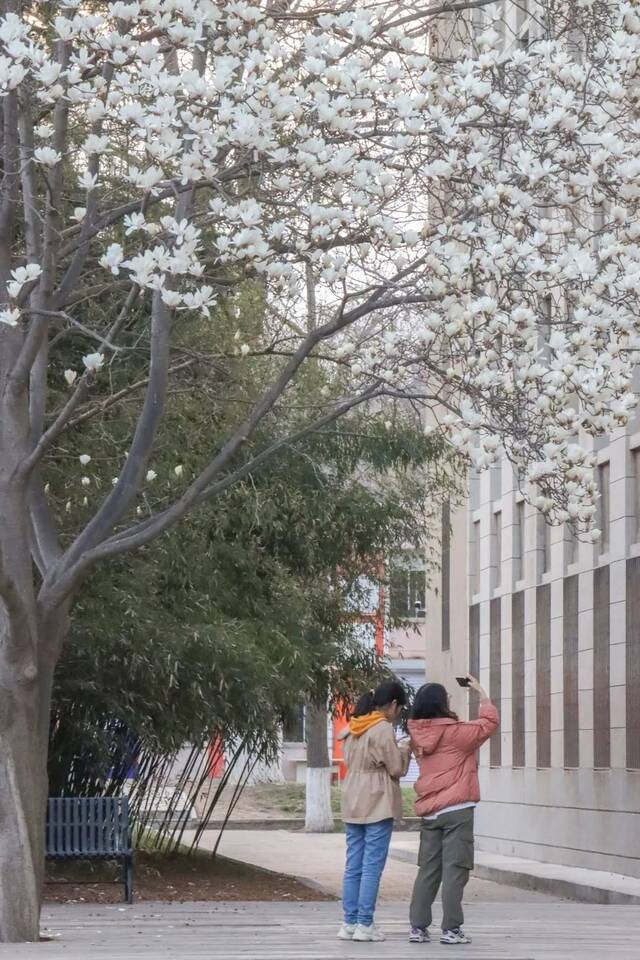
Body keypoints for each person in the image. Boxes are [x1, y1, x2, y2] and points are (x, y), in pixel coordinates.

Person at [407, 675, 499, 946]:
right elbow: (490, 723)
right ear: (441, 704)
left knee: (428, 870)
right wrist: (481, 691)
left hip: (430, 812)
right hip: (457, 809)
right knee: (455, 869)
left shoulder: (416, 735)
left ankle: (418, 928)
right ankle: (451, 929)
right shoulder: (456, 733)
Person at [337, 679, 411, 943]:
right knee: (371, 866)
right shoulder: (381, 728)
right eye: (399, 708)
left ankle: (349, 922)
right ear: (392, 705)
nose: (398, 714)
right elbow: (396, 768)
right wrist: (404, 748)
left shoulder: (353, 726)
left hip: (352, 796)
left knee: (353, 864)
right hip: (377, 798)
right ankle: (365, 924)